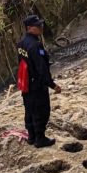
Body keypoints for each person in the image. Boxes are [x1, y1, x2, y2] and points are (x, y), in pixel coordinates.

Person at [17, 15, 61, 148]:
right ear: (30, 28)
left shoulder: (21, 43)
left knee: (29, 109)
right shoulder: (35, 45)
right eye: (38, 26)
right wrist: (53, 85)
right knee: (41, 111)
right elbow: (41, 68)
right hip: (36, 84)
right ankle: (40, 139)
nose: (41, 28)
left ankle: (31, 136)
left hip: (26, 82)